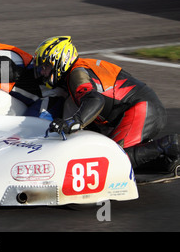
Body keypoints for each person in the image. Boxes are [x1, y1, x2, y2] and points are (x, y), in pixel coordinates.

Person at [33, 35, 179, 174]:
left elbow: (96, 100)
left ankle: (170, 144)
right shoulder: (79, 69)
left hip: (142, 108)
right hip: (133, 109)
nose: (43, 72)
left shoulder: (76, 74)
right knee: (104, 157)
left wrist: (74, 122)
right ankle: (164, 161)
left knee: (112, 159)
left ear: (61, 61)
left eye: (46, 67)